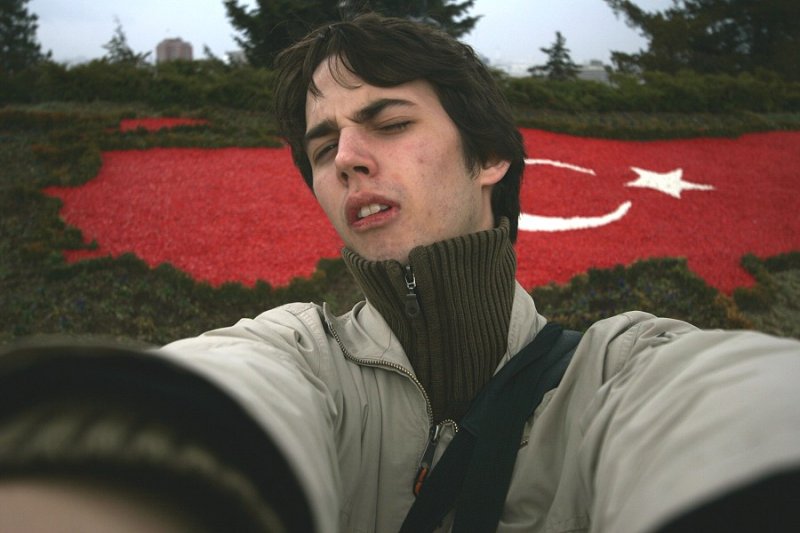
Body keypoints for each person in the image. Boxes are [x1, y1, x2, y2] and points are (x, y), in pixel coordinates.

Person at [1, 12, 799, 533]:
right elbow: (216, 401)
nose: (347, 157)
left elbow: (725, 409)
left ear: (490, 156)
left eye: (387, 122)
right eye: (323, 147)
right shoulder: (296, 355)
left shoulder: (617, 374)